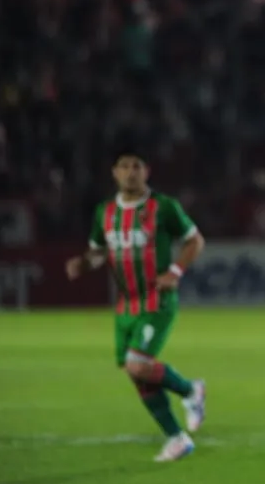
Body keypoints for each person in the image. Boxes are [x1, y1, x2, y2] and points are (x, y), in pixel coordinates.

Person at [65, 148, 207, 462]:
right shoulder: (104, 212)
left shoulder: (163, 207)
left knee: (137, 364)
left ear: (147, 171)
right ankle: (176, 437)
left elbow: (195, 240)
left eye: (137, 166)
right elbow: (99, 252)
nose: (131, 172)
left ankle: (190, 390)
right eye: (124, 166)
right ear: (114, 172)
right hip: (126, 306)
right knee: (138, 374)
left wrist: (174, 271)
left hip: (157, 301)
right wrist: (83, 264)